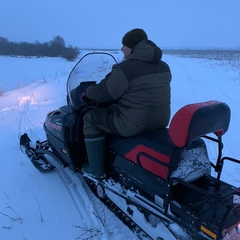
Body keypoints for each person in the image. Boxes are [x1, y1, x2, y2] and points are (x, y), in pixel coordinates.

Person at [81, 28, 172, 179]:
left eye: (124, 45)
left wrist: (87, 92)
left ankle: (95, 169)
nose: (121, 48)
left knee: (90, 118)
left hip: (133, 124)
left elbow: (105, 93)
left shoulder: (125, 68)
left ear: (133, 47)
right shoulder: (163, 66)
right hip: (160, 121)